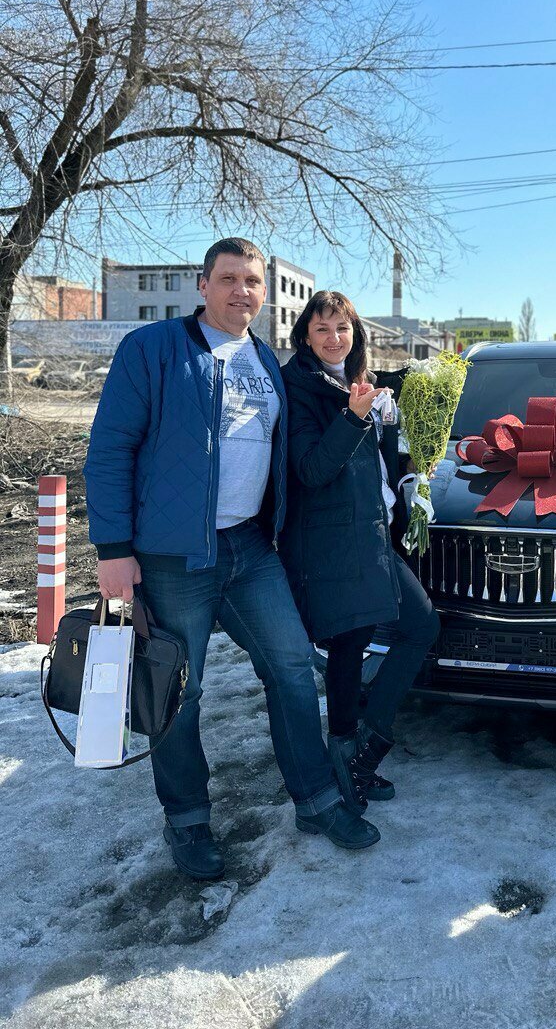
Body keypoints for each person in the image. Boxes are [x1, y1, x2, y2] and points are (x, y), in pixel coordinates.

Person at [84, 238, 379, 880]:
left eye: (252, 281)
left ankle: (317, 800)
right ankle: (187, 820)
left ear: (264, 293)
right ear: (202, 285)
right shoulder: (152, 348)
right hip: (172, 555)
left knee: (292, 666)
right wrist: (113, 550)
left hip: (249, 546)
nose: (241, 291)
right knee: (178, 690)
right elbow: (109, 449)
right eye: (228, 279)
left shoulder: (265, 359)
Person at [279, 289, 440, 817]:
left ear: (356, 334)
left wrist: (407, 462)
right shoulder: (299, 386)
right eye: (322, 329)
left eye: (342, 328)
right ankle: (346, 755)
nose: (334, 338)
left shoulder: (361, 381)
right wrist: (353, 417)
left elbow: (377, 463)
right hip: (332, 539)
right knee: (351, 642)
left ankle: (364, 745)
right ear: (306, 336)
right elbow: (311, 469)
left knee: (421, 625)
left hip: (372, 535)